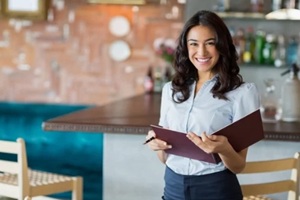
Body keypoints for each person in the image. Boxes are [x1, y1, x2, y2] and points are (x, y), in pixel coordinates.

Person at [145, 10, 260, 200]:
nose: (201, 52)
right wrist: (157, 144)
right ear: (185, 47)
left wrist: (223, 149)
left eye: (210, 43)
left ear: (222, 46)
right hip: (173, 188)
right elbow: (166, 159)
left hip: (216, 189)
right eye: (194, 44)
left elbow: (238, 165)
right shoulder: (171, 90)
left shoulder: (242, 93)